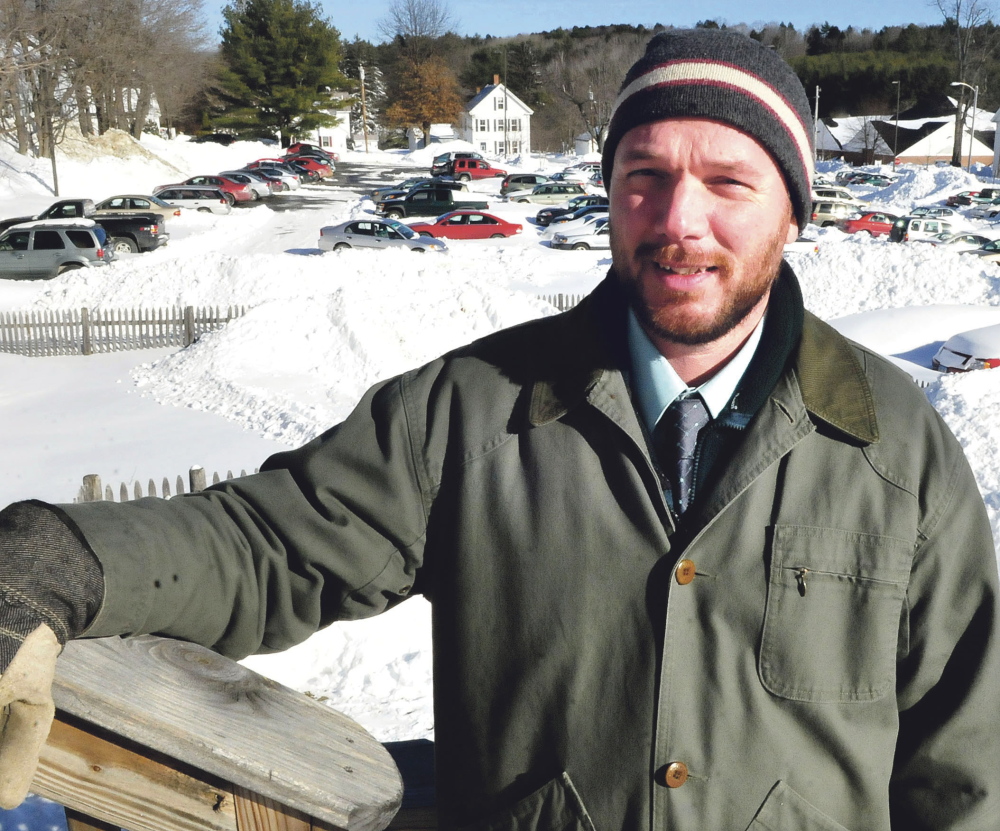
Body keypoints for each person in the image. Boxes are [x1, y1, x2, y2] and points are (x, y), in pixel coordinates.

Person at [1, 29, 998, 830]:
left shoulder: (897, 449)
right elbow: (270, 545)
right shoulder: (474, 410)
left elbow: (967, 771)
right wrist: (63, 560)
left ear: (793, 210)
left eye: (729, 183)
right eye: (644, 174)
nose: (677, 217)